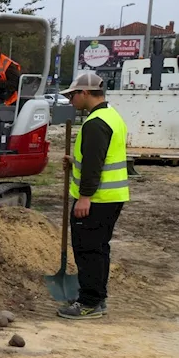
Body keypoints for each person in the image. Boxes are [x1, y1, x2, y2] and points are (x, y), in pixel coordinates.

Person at [58, 70, 129, 319]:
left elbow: (95, 164)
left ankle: (89, 302)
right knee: (99, 248)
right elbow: (98, 158)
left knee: (87, 249)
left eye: (73, 95)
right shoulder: (111, 117)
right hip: (111, 197)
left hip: (96, 200)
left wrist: (85, 197)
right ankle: (97, 297)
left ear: (85, 93)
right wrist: (75, 161)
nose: (70, 101)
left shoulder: (95, 123)